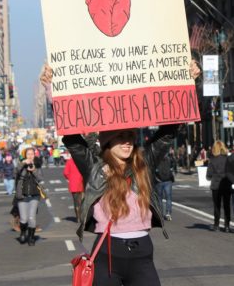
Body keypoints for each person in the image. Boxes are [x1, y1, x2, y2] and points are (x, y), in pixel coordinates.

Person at [41, 61, 200, 286]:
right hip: (107, 254)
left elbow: (168, 132)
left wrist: (187, 82)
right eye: (119, 137)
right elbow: (73, 138)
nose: (126, 142)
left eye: (130, 136)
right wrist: (52, 89)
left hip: (143, 254)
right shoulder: (95, 168)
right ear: (107, 142)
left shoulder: (143, 162)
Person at [15, 147, 42, 246]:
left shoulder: (37, 165)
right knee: (23, 218)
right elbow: (15, 173)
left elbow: (40, 178)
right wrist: (23, 164)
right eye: (28, 154)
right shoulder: (20, 165)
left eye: (32, 154)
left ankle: (31, 237)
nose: (30, 156)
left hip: (34, 195)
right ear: (25, 155)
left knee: (32, 218)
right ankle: (23, 232)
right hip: (22, 195)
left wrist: (34, 170)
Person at [206, 140, 232, 232]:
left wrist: (211, 177)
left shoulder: (212, 160)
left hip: (216, 185)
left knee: (217, 206)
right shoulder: (228, 159)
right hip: (226, 184)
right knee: (227, 206)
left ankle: (216, 225)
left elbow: (208, 175)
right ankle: (227, 226)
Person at [155, 152, 176, 221]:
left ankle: (160, 214)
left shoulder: (156, 160)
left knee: (159, 198)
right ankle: (168, 213)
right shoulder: (170, 158)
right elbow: (173, 167)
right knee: (168, 198)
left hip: (159, 181)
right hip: (168, 180)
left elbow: (154, 170)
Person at [63, 157, 84, 222]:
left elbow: (66, 173)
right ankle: (82, 217)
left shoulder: (69, 161)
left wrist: (71, 178)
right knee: (82, 201)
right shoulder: (82, 160)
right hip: (82, 182)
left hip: (73, 183)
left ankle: (78, 217)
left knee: (76, 202)